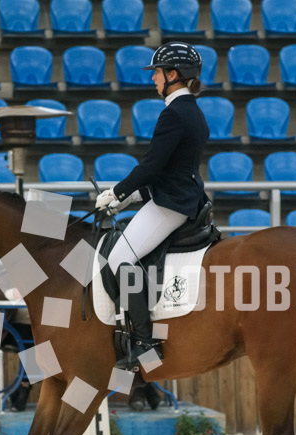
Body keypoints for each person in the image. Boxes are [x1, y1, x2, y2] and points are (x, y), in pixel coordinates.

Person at [94, 41, 210, 371]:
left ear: (173, 75)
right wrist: (135, 197)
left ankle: (146, 343)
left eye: (157, 73)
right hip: (177, 195)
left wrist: (117, 193)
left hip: (172, 204)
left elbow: (151, 165)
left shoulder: (174, 113)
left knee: (119, 259)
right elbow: (171, 169)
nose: (153, 79)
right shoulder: (192, 111)